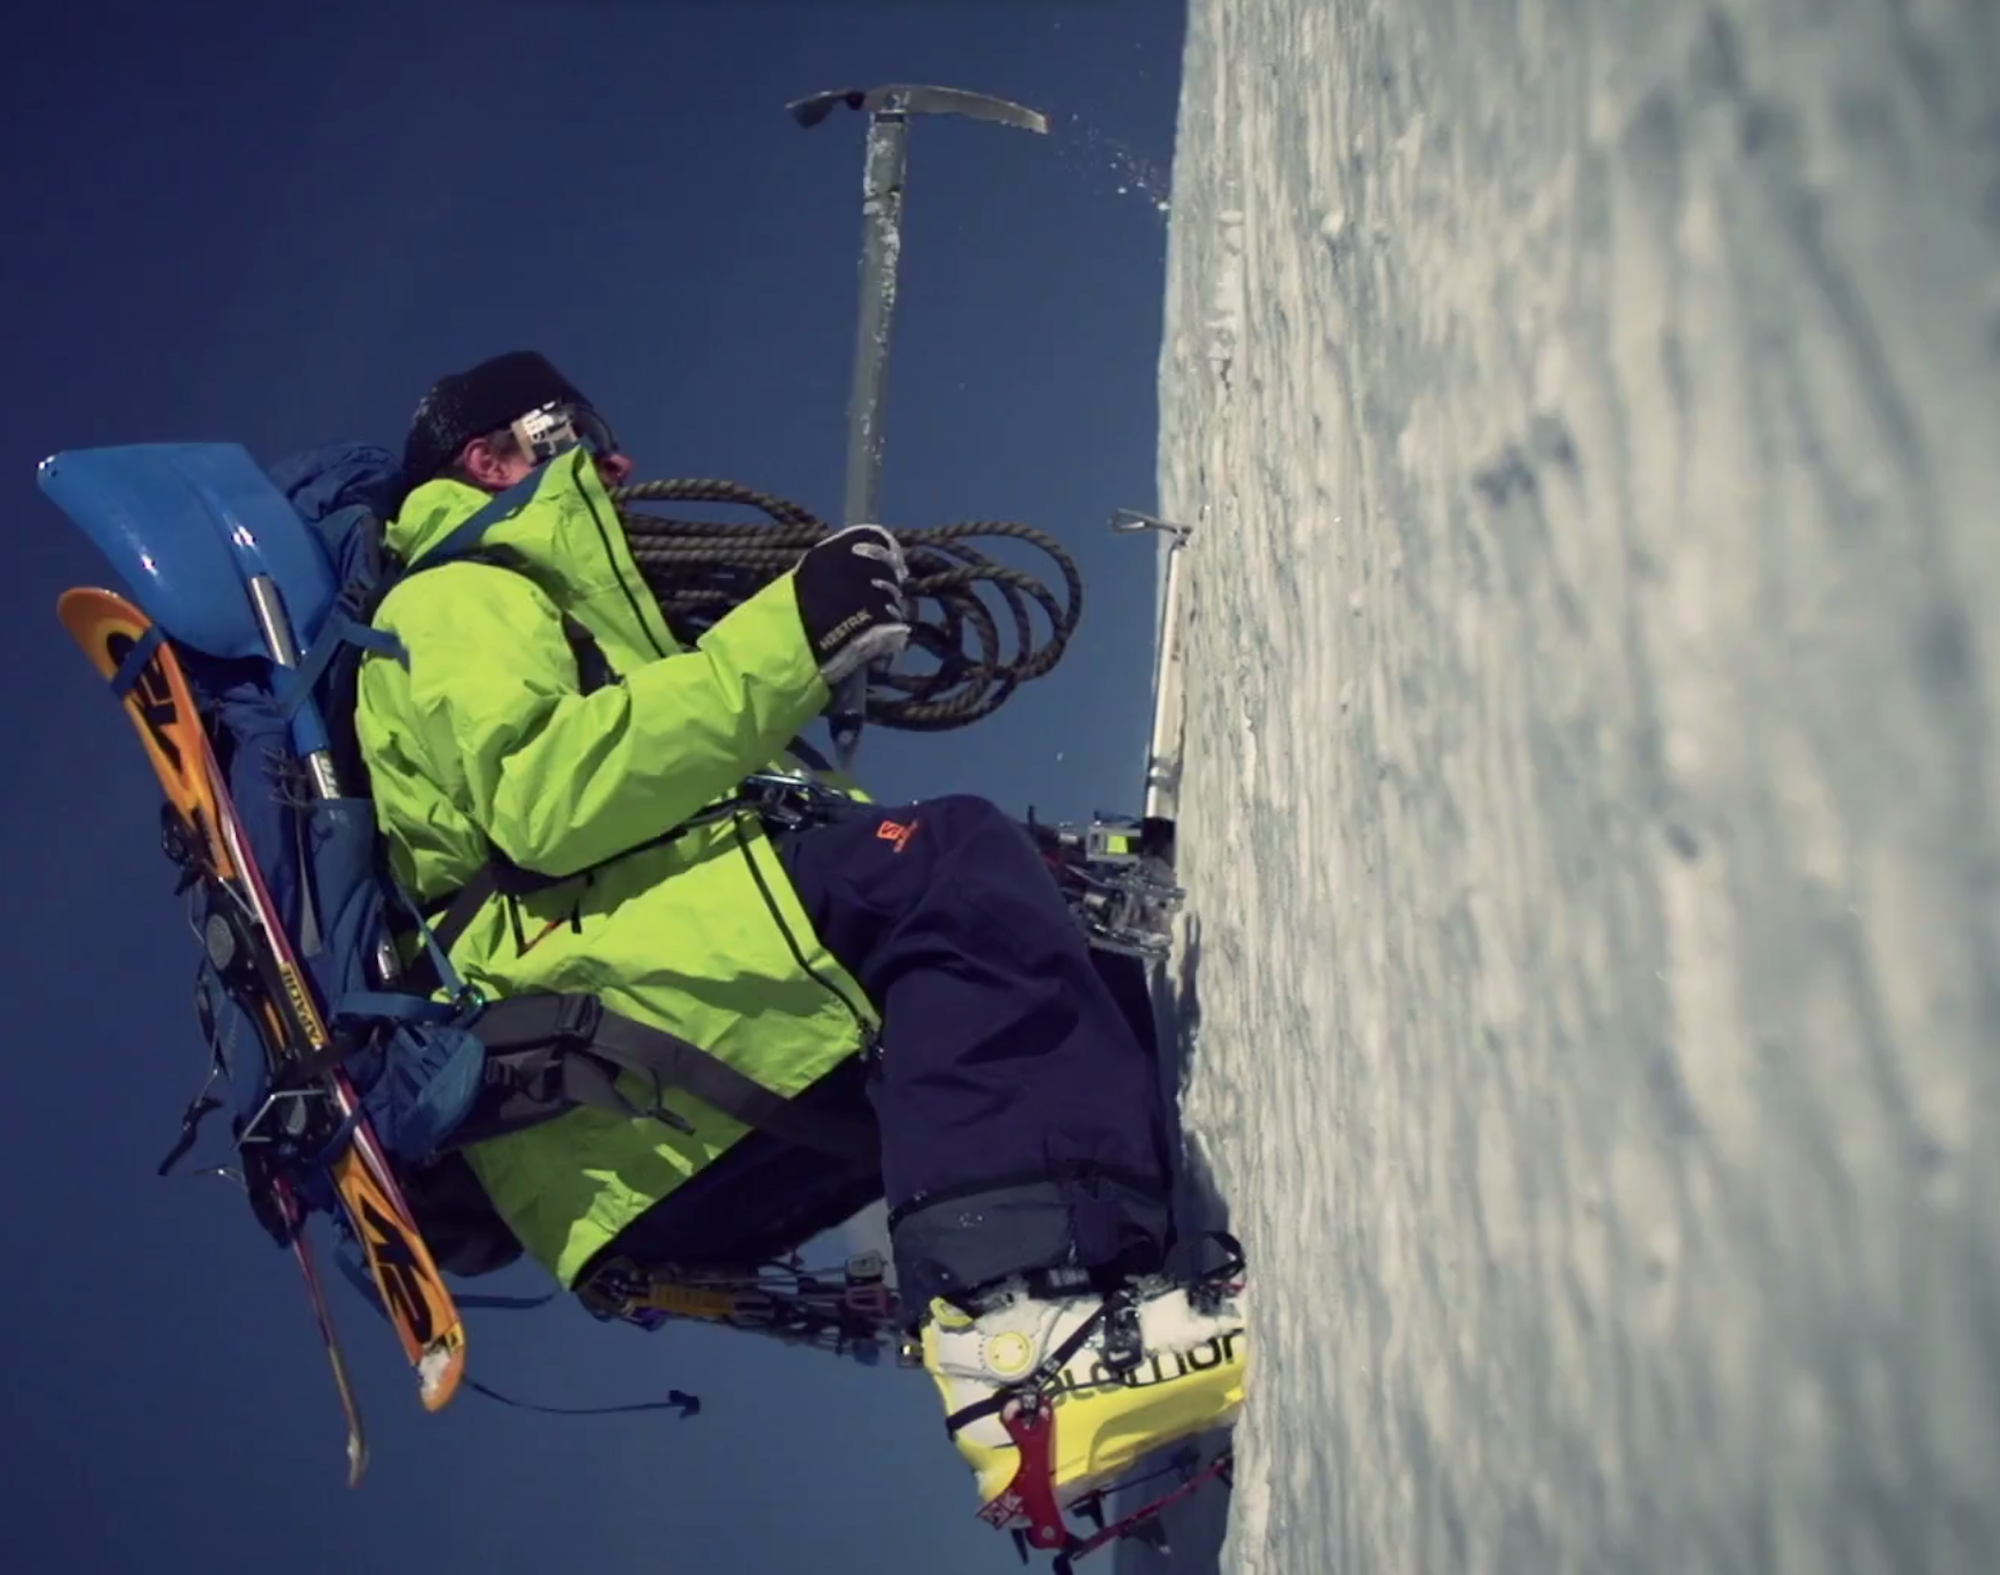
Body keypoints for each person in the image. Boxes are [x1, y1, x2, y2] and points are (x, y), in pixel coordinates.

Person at [354, 350, 1247, 1512]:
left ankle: (1124, 1317)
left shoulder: (554, 605)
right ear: (490, 456)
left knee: (1067, 975)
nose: (616, 457)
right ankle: (1026, 1352)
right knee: (947, 870)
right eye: (574, 427)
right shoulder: (451, 595)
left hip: (640, 1113)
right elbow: (544, 797)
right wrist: (791, 637)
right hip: (621, 1046)